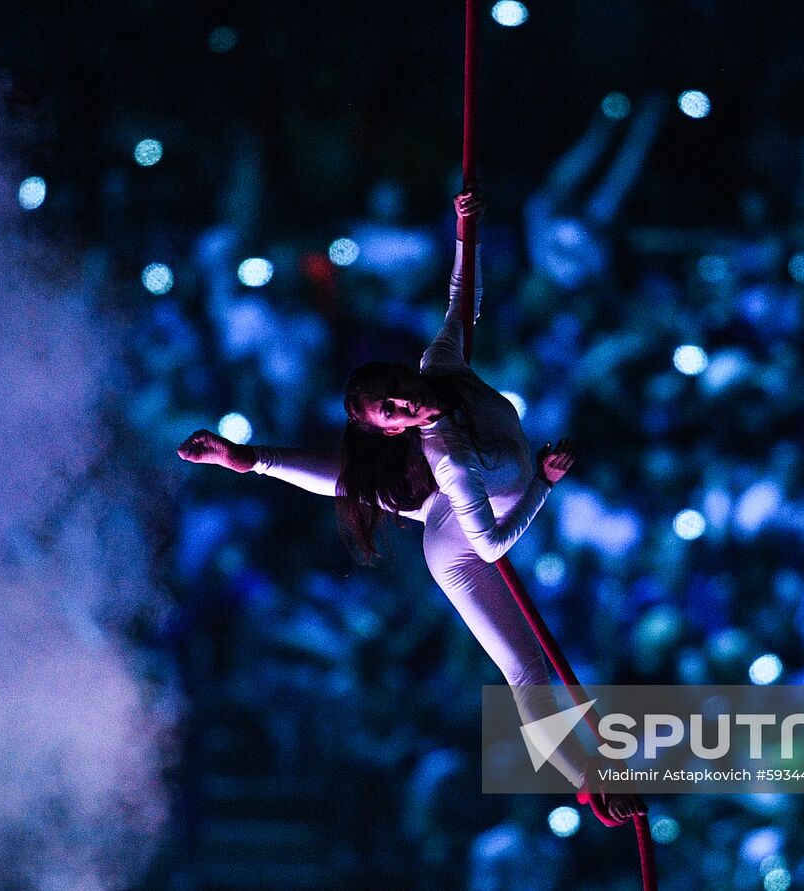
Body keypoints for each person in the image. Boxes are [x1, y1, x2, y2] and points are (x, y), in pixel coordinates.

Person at [179, 186, 646, 825]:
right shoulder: (446, 458)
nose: (406, 406)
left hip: (484, 504)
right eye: (393, 414)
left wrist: (463, 232)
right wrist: (541, 482)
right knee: (525, 670)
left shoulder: (441, 365)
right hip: (461, 542)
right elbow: (490, 547)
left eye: (399, 394)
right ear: (392, 429)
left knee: (362, 482)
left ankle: (250, 459)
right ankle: (586, 784)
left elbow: (463, 300)